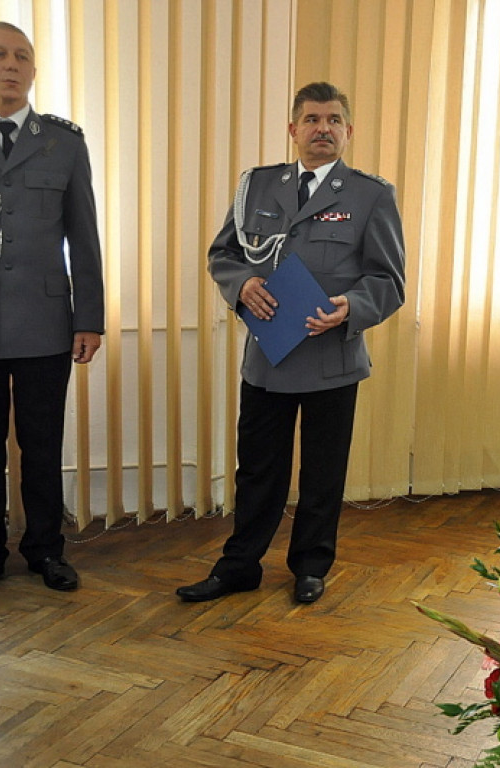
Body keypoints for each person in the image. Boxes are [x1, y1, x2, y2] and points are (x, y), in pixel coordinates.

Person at [177, 82, 405, 605]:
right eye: (311, 119)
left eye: (333, 120)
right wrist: (242, 286)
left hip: (333, 358)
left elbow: (388, 280)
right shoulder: (256, 187)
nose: (322, 129)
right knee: (257, 468)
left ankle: (310, 565)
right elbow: (223, 255)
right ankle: (239, 565)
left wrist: (354, 307)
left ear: (348, 131)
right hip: (268, 358)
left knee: (323, 473)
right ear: (293, 129)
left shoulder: (371, 195)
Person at [0, 22, 104, 600]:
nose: (11, 65)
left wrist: (89, 316)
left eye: (22, 56)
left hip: (45, 324)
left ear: (33, 70)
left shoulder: (64, 142)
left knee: (43, 445)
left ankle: (46, 550)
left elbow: (84, 235)